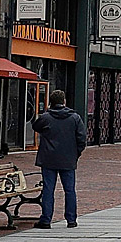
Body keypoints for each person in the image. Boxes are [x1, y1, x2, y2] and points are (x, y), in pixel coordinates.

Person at [32, 90, 90, 230]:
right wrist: (76, 153)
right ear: (64, 101)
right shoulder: (74, 117)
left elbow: (35, 126)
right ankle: (71, 219)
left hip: (48, 158)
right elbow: (82, 138)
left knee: (48, 189)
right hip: (68, 159)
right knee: (69, 190)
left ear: (51, 102)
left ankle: (46, 219)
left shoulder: (46, 117)